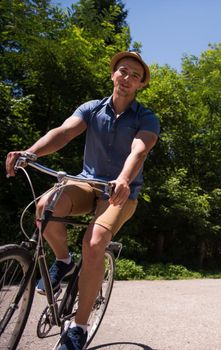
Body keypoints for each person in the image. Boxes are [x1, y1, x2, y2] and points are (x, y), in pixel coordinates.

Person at [5, 51, 160, 350]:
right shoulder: (92, 108)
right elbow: (63, 132)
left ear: (141, 85)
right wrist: (31, 153)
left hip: (119, 192)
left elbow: (138, 151)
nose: (127, 79)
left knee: (94, 242)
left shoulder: (146, 117)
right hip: (88, 182)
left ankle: (79, 328)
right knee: (44, 207)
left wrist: (124, 180)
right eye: (123, 72)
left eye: (135, 76)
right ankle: (63, 261)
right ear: (113, 73)